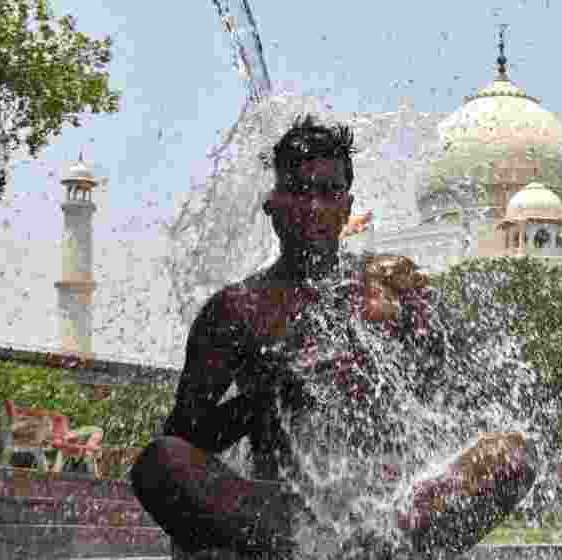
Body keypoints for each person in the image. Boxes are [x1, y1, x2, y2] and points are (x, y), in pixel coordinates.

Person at [131, 114, 536, 558]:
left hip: (389, 510)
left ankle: (368, 548)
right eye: (300, 191)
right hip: (286, 518)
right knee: (160, 462)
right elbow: (186, 438)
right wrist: (268, 395)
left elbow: (451, 402)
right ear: (273, 204)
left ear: (347, 206)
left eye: (329, 192)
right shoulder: (237, 310)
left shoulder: (386, 288)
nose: (314, 208)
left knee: (512, 454)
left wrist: (417, 337)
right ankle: (338, 550)